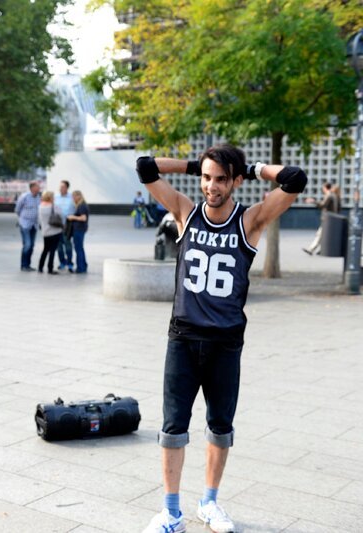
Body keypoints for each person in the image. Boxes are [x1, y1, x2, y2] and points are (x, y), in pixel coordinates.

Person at [136, 146, 307, 533]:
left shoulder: (249, 221)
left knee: (220, 426)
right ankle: (171, 512)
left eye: (220, 179)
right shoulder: (185, 211)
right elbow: (145, 167)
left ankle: (209, 503)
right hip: (183, 337)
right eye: (207, 178)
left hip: (226, 342)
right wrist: (198, 164)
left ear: (235, 181)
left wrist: (254, 167)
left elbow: (294, 178)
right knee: (173, 427)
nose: (211, 186)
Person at [302, 181, 339, 255]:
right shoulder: (333, 195)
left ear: (325, 188)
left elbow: (323, 205)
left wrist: (313, 201)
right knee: (324, 235)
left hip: (328, 218)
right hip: (331, 218)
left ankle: (311, 249)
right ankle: (320, 250)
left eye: (323, 188)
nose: (322, 190)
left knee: (320, 234)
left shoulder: (329, 195)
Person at [15, 181, 41, 271]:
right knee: (27, 245)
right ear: (32, 188)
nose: (39, 189)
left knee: (32, 245)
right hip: (25, 224)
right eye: (38, 187)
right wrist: (22, 219)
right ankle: (23, 265)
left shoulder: (38, 197)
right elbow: (17, 209)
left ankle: (28, 265)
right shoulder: (24, 197)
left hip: (34, 225)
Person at [37, 190, 63, 274]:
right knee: (52, 250)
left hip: (45, 232)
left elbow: (40, 219)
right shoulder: (54, 206)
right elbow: (61, 214)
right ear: (50, 197)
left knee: (45, 249)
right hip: (55, 231)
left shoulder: (40, 206)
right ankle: (50, 268)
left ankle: (40, 267)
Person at [54, 180, 75, 272]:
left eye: (62, 186)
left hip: (68, 225)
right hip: (57, 225)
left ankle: (70, 263)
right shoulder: (55, 197)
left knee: (68, 244)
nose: (60, 188)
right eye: (60, 186)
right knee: (58, 245)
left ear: (67, 187)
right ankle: (62, 262)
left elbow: (76, 210)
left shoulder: (72, 198)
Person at [67, 190, 89, 274]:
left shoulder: (82, 206)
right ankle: (83, 265)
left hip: (79, 229)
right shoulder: (82, 205)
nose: (73, 199)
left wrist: (73, 217)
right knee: (80, 248)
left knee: (78, 249)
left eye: (74, 197)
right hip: (80, 229)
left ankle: (80, 267)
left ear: (79, 196)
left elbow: (83, 218)